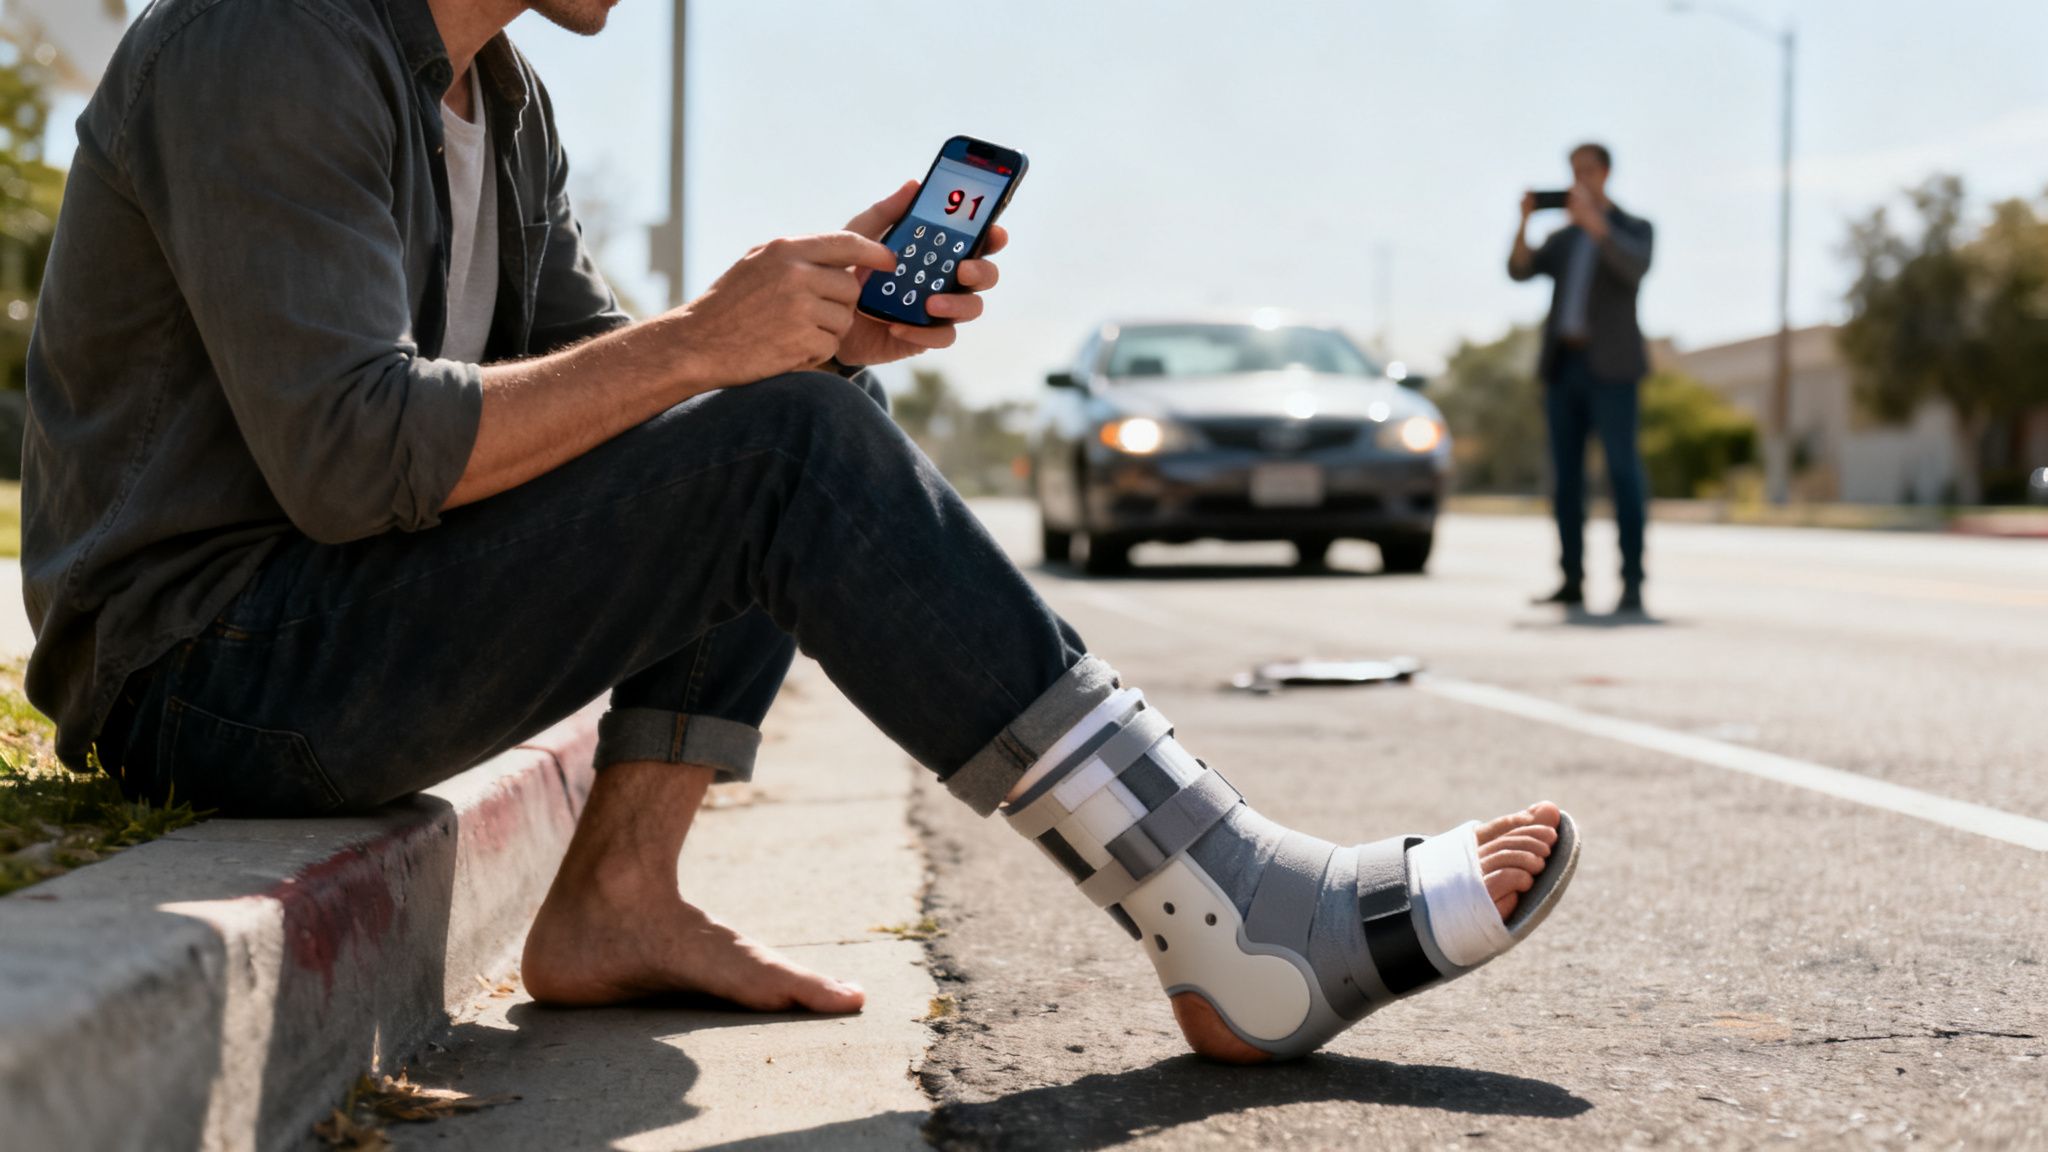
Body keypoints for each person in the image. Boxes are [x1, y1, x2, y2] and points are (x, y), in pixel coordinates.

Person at [25, 0, 1579, 1064]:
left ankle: (620, 897)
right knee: (766, 426)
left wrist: (805, 336)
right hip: (203, 670)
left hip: (332, 626)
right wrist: (713, 347)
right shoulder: (267, 34)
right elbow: (351, 458)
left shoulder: (502, 102)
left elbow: (632, 419)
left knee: (790, 415)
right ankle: (1232, 911)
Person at [1509, 142, 1655, 615]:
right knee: (1565, 480)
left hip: (1613, 370)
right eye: (1574, 171)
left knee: (1622, 473)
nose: (1580, 178)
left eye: (1588, 170)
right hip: (1564, 368)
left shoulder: (1633, 227)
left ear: (1607, 173)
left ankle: (1632, 582)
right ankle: (1571, 579)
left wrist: (1600, 228)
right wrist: (1525, 220)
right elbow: (1518, 270)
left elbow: (1633, 270)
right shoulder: (1565, 239)